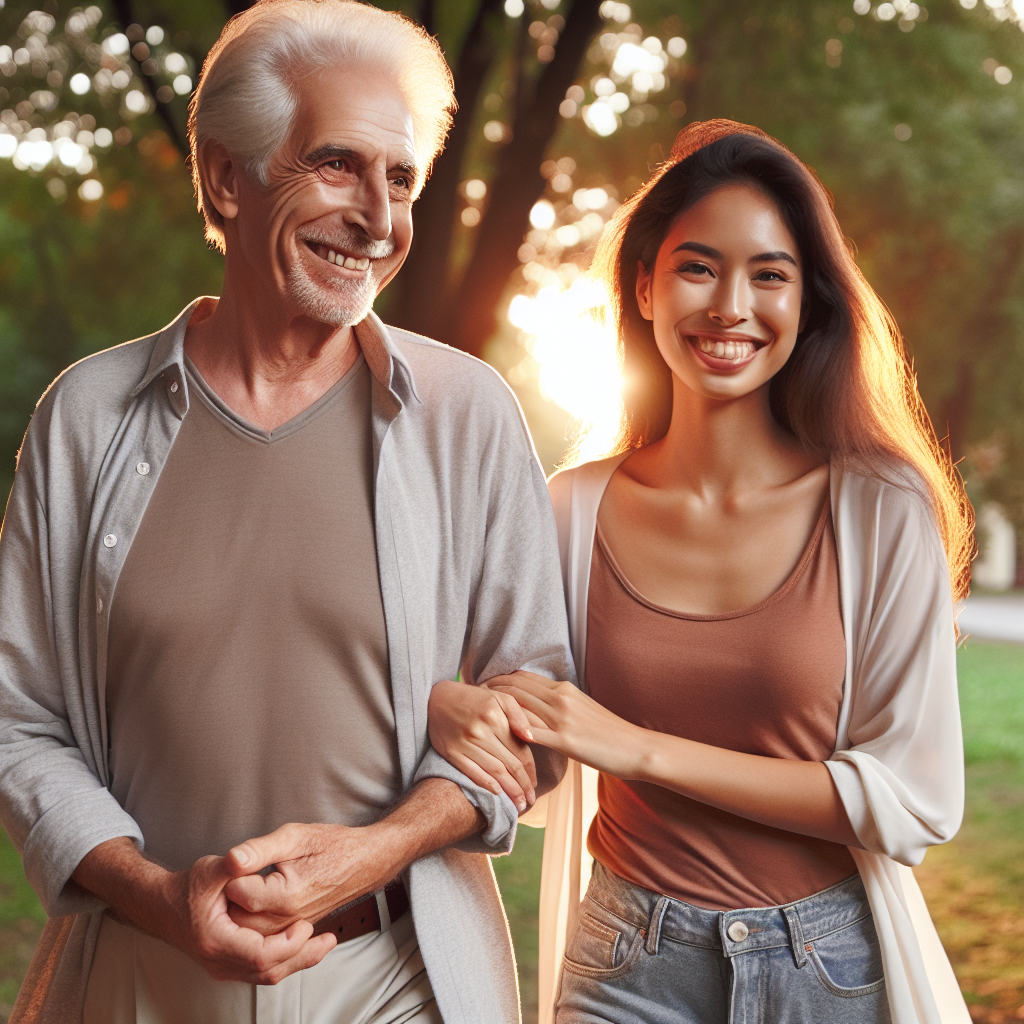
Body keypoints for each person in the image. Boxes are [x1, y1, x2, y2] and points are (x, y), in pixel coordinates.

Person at [0, 2, 573, 1021]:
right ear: (228, 176)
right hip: (141, 973)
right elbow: (20, 720)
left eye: (401, 180)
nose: (380, 219)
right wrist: (160, 896)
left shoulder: (468, 414)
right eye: (339, 164)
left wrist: (370, 854)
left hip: (397, 981)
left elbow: (532, 709)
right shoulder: (86, 418)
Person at [428, 121, 973, 1024]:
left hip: (828, 969)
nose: (731, 305)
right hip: (626, 964)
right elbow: (531, 746)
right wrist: (449, 706)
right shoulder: (571, 510)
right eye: (697, 267)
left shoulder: (881, 508)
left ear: (808, 303)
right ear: (644, 286)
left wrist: (638, 749)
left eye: (769, 274)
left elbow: (912, 800)